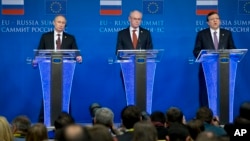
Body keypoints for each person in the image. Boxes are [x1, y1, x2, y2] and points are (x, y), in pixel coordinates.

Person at [193, 11, 236, 107]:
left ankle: (224, 117)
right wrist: (206, 57)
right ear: (208, 23)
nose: (215, 21)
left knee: (223, 94)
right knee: (205, 93)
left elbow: (233, 49)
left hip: (223, 69)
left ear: (220, 21)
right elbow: (196, 51)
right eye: (212, 19)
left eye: (217, 18)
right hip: (206, 69)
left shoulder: (227, 33)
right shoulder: (202, 34)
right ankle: (206, 117)